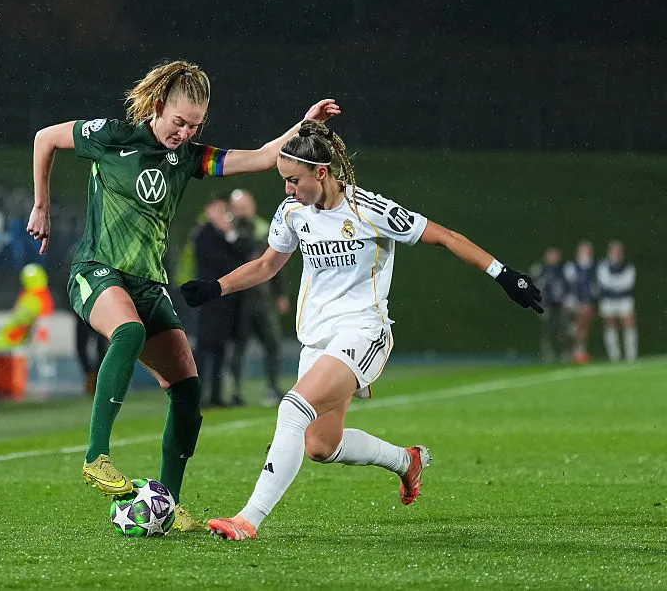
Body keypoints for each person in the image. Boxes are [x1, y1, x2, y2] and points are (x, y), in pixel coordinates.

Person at [179, 120, 542, 540]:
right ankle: (407, 462)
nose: (287, 190)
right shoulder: (293, 213)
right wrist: (215, 287)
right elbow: (266, 266)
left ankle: (247, 520)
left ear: (321, 173)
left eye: (293, 180)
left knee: (291, 409)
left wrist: (504, 274)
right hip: (316, 338)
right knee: (320, 446)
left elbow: (444, 236)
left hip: (363, 332)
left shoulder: (370, 210)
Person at [27, 58, 340, 531]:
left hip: (148, 283)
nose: (185, 132)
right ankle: (96, 457)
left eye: (194, 125)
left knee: (189, 391)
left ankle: (165, 507)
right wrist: (42, 206)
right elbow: (45, 138)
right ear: (156, 107)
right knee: (127, 332)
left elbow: (258, 157)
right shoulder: (112, 135)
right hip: (97, 269)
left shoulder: (189, 157)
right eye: (179, 122)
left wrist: (303, 126)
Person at [227, 189, 289, 405]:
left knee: (272, 344)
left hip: (263, 298)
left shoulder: (265, 228)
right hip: (238, 300)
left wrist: (280, 294)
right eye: (239, 207)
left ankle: (272, 387)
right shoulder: (227, 231)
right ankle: (235, 391)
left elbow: (275, 263)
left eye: (245, 206)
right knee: (237, 348)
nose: (242, 211)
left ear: (252, 206)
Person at [190, 196, 248, 408]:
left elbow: (242, 256)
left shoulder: (227, 234)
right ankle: (195, 396)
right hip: (208, 300)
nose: (223, 213)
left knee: (220, 349)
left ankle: (215, 395)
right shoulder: (203, 233)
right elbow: (218, 262)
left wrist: (230, 234)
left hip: (225, 302)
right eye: (219, 208)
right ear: (209, 210)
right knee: (204, 348)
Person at [596, 240, 637, 361]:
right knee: (610, 322)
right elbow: (604, 283)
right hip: (608, 299)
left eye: (618, 251)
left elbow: (628, 283)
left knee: (628, 321)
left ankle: (631, 355)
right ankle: (614, 355)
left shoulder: (628, 266)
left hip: (624, 299)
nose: (616, 254)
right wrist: (617, 285)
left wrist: (615, 285)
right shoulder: (603, 266)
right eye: (614, 251)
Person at [534, 246, 571, 363]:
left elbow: (569, 286)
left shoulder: (564, 269)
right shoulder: (540, 269)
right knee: (548, 329)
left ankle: (563, 353)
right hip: (546, 305)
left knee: (562, 330)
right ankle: (547, 354)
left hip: (560, 304)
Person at [563, 240, 597, 364]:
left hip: (586, 303)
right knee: (575, 327)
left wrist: (587, 302)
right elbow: (570, 287)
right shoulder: (571, 267)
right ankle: (573, 351)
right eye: (584, 250)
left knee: (583, 326)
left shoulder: (593, 267)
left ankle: (579, 351)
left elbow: (593, 288)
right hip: (572, 302)